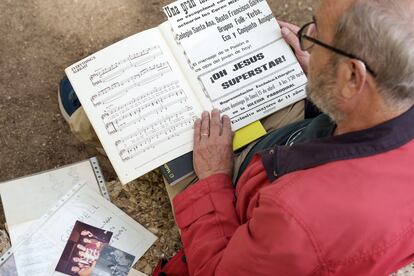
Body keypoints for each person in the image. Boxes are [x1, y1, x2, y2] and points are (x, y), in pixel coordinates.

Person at [58, 0, 414, 274]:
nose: (308, 40)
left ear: (354, 77)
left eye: (317, 35)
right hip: (297, 141)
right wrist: (323, 80)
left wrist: (212, 177)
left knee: (78, 95)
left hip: (235, 195)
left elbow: (217, 269)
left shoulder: (298, 219)